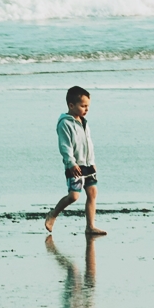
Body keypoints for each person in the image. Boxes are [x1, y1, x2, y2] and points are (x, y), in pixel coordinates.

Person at [45, 85, 106, 235]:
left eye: (88, 106)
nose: (87, 109)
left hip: (88, 165)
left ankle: (90, 226)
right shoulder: (65, 123)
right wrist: (71, 163)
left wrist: (92, 162)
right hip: (75, 166)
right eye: (83, 106)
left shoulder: (84, 123)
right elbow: (65, 146)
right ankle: (53, 214)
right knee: (74, 196)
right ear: (71, 105)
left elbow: (88, 143)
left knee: (92, 193)